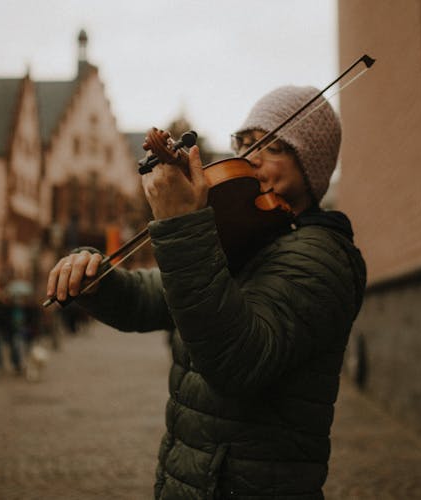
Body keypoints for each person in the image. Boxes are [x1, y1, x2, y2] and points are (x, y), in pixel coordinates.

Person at [46, 86, 367, 499]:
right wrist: (95, 276)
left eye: (274, 147)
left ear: (310, 166)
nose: (250, 158)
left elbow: (238, 361)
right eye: (245, 143)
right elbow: (151, 297)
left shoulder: (321, 257)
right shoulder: (250, 239)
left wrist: (183, 227)